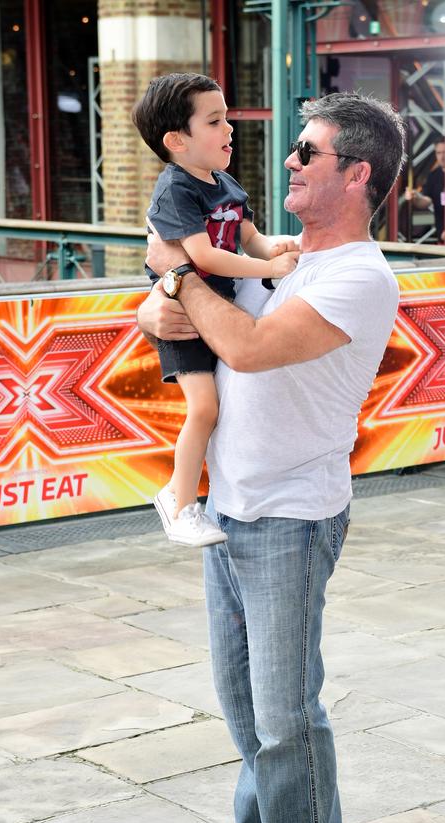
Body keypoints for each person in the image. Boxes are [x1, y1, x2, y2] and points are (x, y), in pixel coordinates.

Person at [138, 91, 405, 823]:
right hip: (230, 506)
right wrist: (165, 295)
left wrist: (176, 271)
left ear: (356, 174)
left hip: (292, 518)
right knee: (244, 707)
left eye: (308, 152)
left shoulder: (359, 275)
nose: (286, 162)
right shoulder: (280, 263)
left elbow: (243, 348)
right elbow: (165, 322)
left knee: (289, 716)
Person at [132, 73, 299, 547]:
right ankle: (179, 501)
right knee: (204, 407)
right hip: (183, 319)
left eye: (226, 118)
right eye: (215, 121)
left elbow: (250, 235)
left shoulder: (223, 182)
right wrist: (266, 266)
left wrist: (274, 250)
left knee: (219, 406)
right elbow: (202, 257)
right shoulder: (176, 190)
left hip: (217, 312)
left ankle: (194, 496)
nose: (230, 129)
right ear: (176, 140)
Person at [405, 138, 445, 242]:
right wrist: (415, 197)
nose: (442, 157)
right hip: (442, 235)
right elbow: (426, 201)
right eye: (439, 153)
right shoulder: (434, 176)